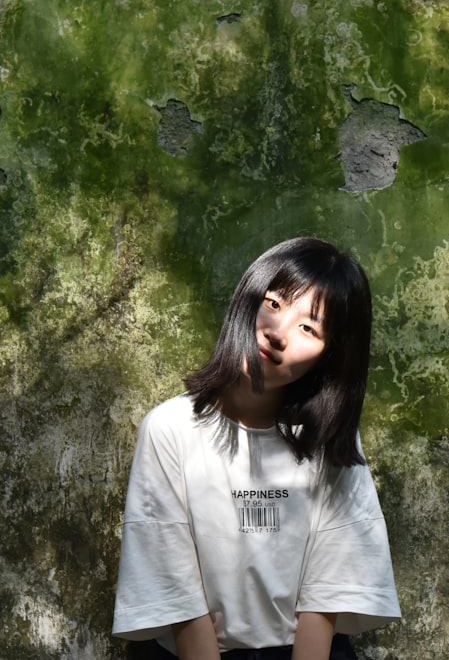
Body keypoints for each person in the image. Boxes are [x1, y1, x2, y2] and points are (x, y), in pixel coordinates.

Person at [112, 238, 401, 659]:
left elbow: (328, 592)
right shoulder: (170, 429)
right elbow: (176, 592)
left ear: (329, 356)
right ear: (247, 299)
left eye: (309, 328)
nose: (278, 333)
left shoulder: (330, 440)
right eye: (274, 303)